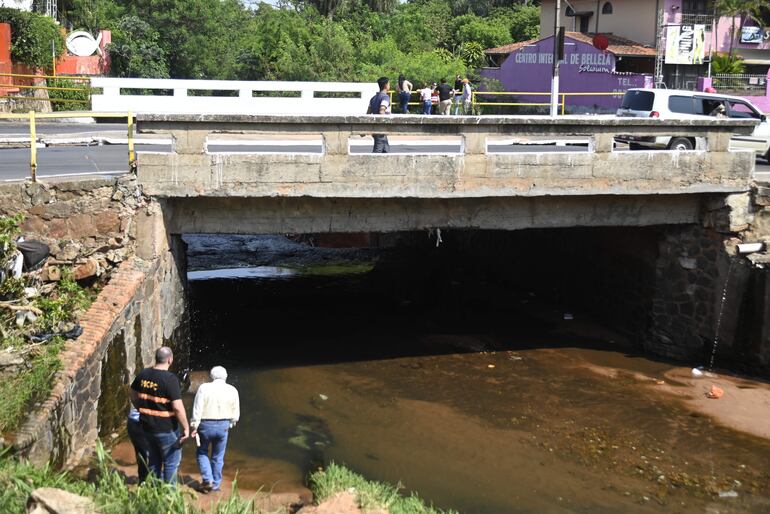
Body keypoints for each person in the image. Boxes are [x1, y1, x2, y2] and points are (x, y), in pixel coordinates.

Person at [130, 346, 190, 484]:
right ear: (170, 360)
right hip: (165, 428)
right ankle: (169, 496)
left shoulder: (143, 375)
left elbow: (132, 393)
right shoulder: (170, 379)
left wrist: (140, 407)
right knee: (171, 462)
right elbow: (177, 407)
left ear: (156, 358)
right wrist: (186, 427)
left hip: (147, 427)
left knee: (154, 460)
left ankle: (154, 490)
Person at [190, 366, 240, 494]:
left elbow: (198, 408)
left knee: (202, 452)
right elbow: (236, 411)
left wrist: (195, 425)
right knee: (218, 456)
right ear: (226, 376)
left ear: (211, 376)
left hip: (205, 425)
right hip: (223, 425)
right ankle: (216, 484)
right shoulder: (232, 390)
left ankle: (207, 479)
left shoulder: (204, 388)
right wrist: (232, 423)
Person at [367, 76, 391, 153]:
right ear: (386, 85)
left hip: (375, 128)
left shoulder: (373, 98)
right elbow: (382, 111)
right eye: (389, 84)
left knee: (385, 150)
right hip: (381, 128)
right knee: (377, 151)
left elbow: (368, 113)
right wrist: (383, 126)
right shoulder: (385, 97)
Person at [127, 405, 150, 483]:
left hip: (133, 421)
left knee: (141, 453)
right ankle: (145, 480)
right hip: (143, 422)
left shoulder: (135, 392)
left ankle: (143, 479)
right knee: (147, 454)